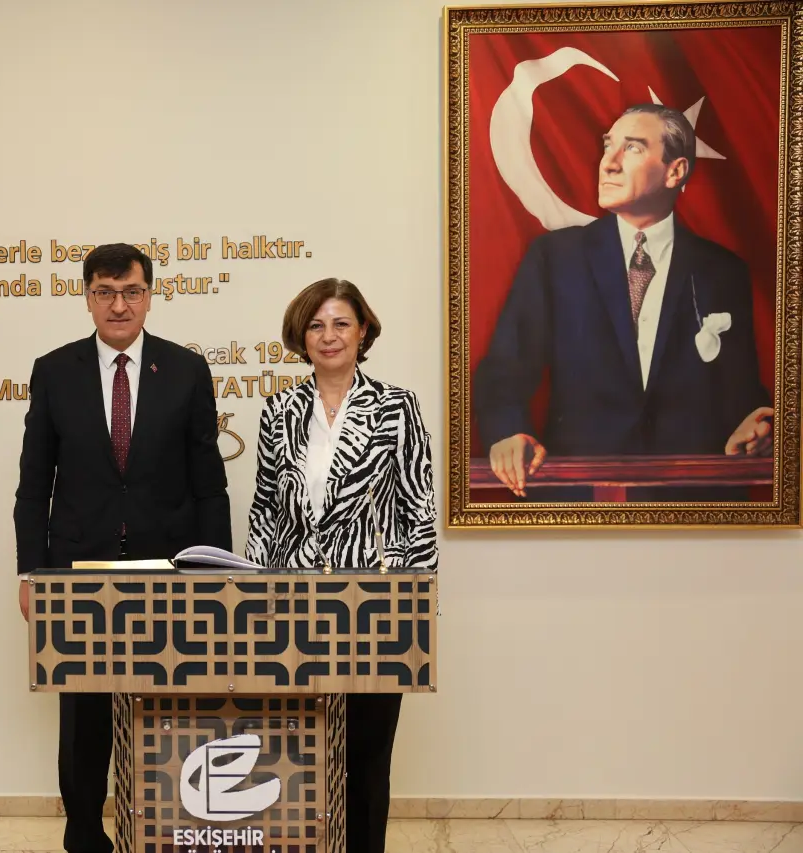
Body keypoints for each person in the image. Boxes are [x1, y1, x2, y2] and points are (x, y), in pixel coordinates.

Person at [13, 242, 232, 853]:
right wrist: (32, 574)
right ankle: (84, 836)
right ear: (86, 298)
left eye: (131, 291)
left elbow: (209, 484)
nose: (119, 305)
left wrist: (219, 574)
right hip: (79, 571)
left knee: (167, 711)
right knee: (84, 719)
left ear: (149, 296)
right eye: (105, 292)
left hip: (172, 568)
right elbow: (34, 484)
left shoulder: (185, 370)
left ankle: (162, 832)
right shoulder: (54, 371)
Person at [473, 103, 773, 501]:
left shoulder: (723, 270)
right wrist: (507, 432)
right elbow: (503, 372)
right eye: (607, 146)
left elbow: (740, 390)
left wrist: (755, 424)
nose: (608, 163)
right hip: (578, 499)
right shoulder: (554, 259)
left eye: (632, 148)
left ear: (675, 171)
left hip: (692, 502)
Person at [245, 277, 438, 853]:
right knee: (295, 752)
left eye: (340, 324)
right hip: (290, 607)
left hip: (372, 606)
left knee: (367, 757)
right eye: (316, 325)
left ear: (362, 331)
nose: (328, 336)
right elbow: (264, 510)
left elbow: (418, 510)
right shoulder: (279, 410)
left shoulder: (398, 407)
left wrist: (413, 601)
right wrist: (252, 597)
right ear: (301, 336)